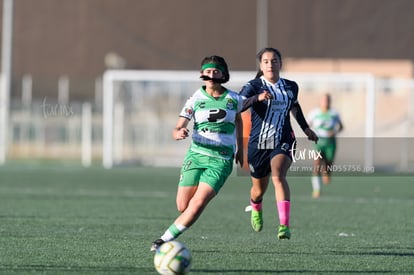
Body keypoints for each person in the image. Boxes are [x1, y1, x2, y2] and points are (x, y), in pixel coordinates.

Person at [150, 55, 271, 251]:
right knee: (183, 206)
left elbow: (245, 109)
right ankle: (175, 230)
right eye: (208, 71)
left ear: (224, 75)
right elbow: (177, 127)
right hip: (196, 156)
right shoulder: (195, 99)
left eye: (216, 71)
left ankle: (163, 240)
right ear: (202, 75)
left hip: (221, 160)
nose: (212, 75)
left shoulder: (233, 98)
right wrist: (178, 132)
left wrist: (240, 147)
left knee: (197, 204)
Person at [240, 47, 318, 239]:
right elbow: (238, 105)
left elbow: (295, 106)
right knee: (258, 190)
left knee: (278, 176)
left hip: (283, 139)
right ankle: (256, 206)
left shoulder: (291, 86)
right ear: (261, 65)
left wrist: (305, 128)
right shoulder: (253, 86)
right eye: (266, 61)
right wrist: (257, 98)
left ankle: (284, 226)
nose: (270, 64)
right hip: (258, 144)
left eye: (274, 60)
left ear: (280, 64)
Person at [307, 93, 343, 198]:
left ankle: (326, 172)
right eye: (323, 100)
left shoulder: (334, 114)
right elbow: (307, 125)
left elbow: (341, 127)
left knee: (328, 165)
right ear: (320, 101)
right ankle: (316, 189)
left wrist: (334, 131)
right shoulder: (314, 113)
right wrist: (310, 133)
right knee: (317, 164)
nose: (325, 102)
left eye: (327, 100)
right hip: (318, 142)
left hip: (330, 142)